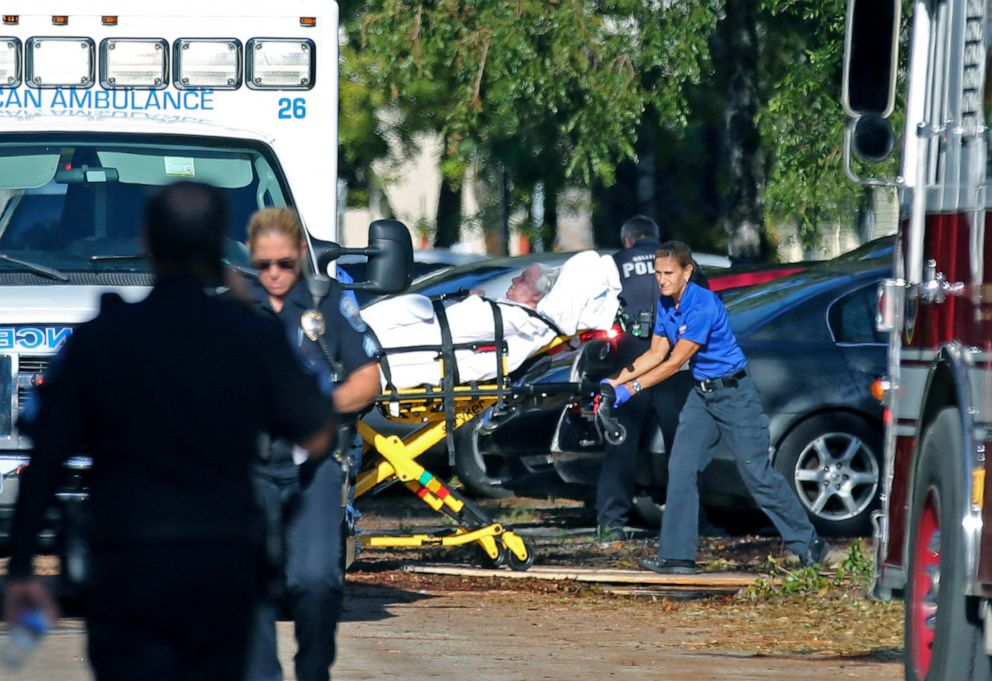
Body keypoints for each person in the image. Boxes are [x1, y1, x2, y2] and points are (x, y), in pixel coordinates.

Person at [2, 182, 336, 681]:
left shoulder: (101, 340)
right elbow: (316, 432)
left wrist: (24, 565)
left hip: (127, 565)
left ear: (146, 242)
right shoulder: (250, 336)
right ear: (222, 244)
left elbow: (46, 458)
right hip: (221, 563)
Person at [604, 240, 828, 574]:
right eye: (657, 274)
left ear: (687, 272)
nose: (661, 280)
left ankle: (810, 544)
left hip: (735, 394)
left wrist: (632, 388)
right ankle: (677, 556)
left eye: (668, 273)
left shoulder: (703, 305)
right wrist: (613, 383)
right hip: (702, 396)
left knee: (757, 475)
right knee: (680, 467)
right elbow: (654, 354)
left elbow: (675, 361)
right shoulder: (666, 305)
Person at [244, 207, 381, 681]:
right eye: (264, 265)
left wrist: (322, 407)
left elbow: (368, 380)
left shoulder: (328, 302)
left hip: (314, 459)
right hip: (250, 465)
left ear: (302, 254)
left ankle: (313, 668)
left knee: (318, 580)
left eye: (284, 263)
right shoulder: (235, 309)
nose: (275, 275)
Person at [595, 216, 664, 540]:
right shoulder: (677, 261)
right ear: (655, 237)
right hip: (674, 360)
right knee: (682, 445)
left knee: (621, 443)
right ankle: (694, 520)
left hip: (629, 359)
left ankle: (611, 523)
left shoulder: (614, 264)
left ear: (627, 240)